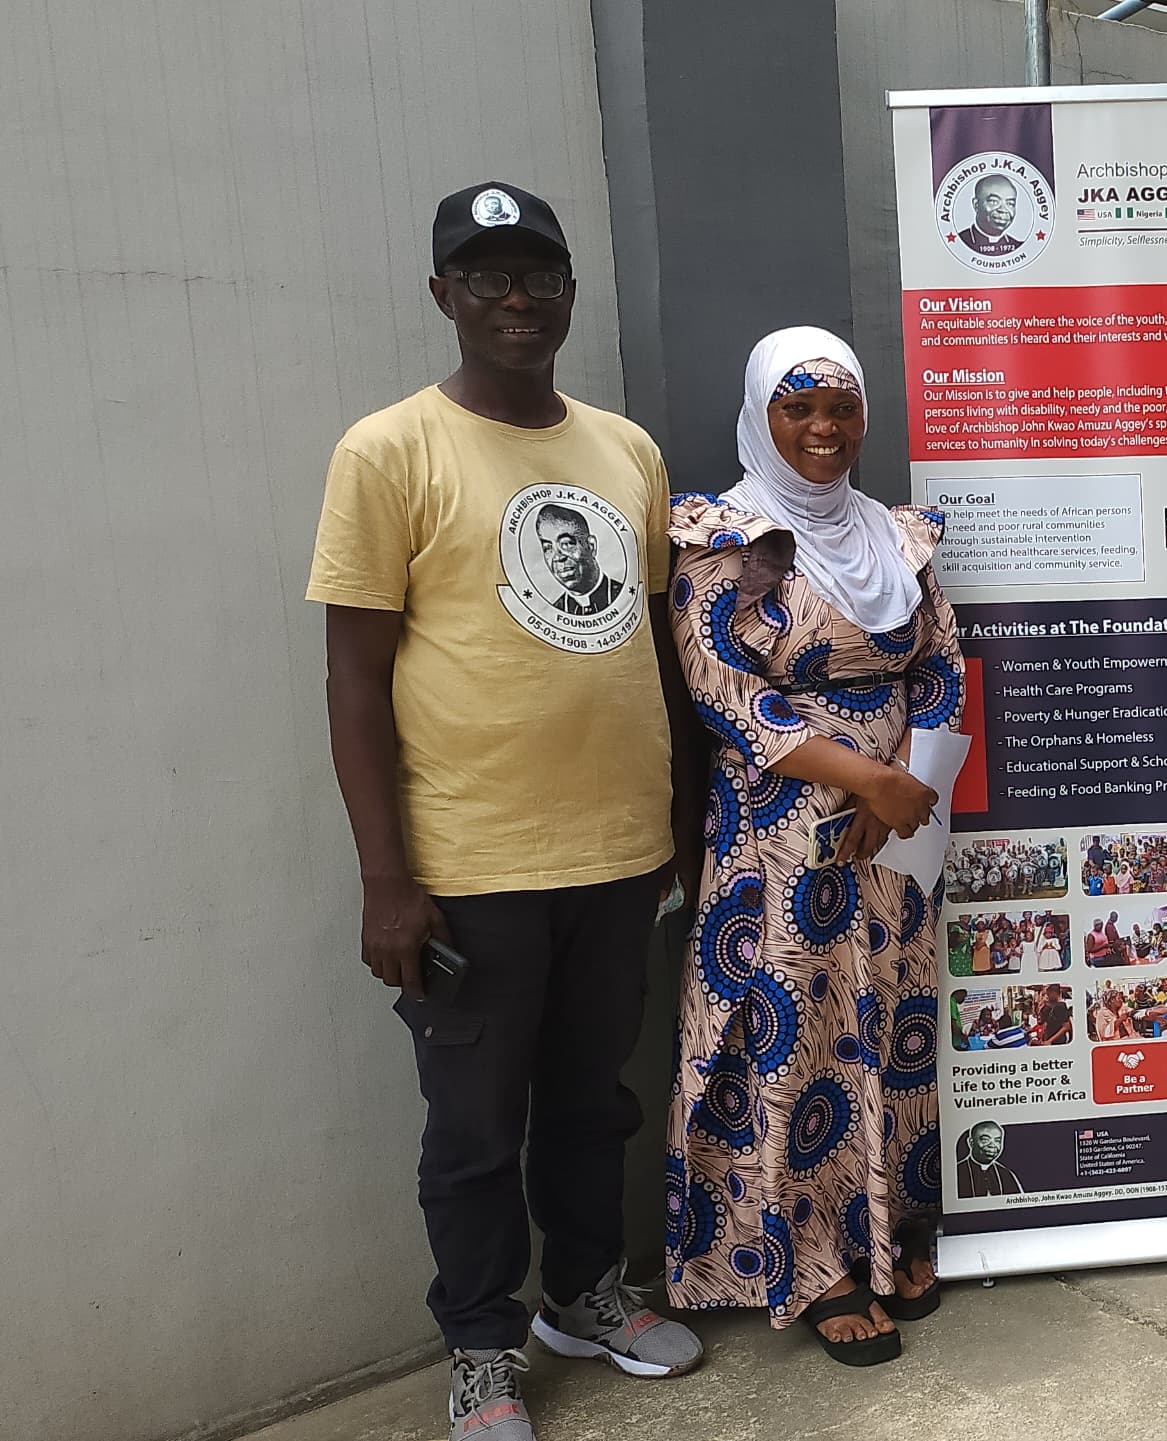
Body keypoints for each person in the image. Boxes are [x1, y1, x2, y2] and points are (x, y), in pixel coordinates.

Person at [309, 181, 704, 1441]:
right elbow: (354, 679)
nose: (517, 297)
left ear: (570, 291)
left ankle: (584, 1295)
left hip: (617, 854)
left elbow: (651, 649)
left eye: (539, 274)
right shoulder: (389, 451)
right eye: (487, 276)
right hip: (469, 864)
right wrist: (386, 879)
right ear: (445, 294)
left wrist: (678, 823)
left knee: (593, 1102)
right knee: (476, 1129)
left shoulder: (626, 451)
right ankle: (482, 1345)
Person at [662, 328, 966, 1368]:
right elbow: (725, 693)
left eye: (842, 406)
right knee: (795, 1032)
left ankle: (890, 1225)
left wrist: (906, 781)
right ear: (762, 416)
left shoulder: (896, 537)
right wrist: (865, 779)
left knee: (893, 1021)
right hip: (782, 838)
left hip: (899, 831)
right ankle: (813, 1260)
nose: (824, 427)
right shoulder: (726, 541)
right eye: (798, 407)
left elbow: (941, 666)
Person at [536, 504, 627, 616]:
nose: (558, 557)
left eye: (566, 544)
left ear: (591, 546)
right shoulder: (553, 612)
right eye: (548, 548)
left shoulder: (623, 595)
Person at [957, 1121, 1025, 1197]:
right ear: (971, 1143)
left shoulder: (1006, 1175)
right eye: (985, 1140)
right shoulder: (958, 1172)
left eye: (997, 1140)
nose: (992, 1145)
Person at [963, 175, 1022, 256]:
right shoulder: (960, 242)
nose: (1003, 209)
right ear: (976, 204)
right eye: (994, 202)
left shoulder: (1019, 247)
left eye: (1010, 203)